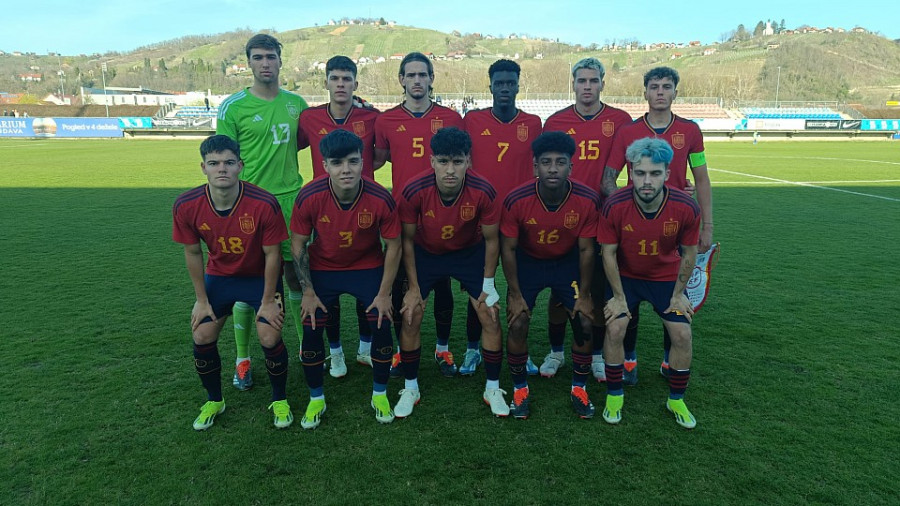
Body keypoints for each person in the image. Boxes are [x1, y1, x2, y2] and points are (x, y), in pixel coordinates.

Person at [601, 66, 714, 385]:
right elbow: (609, 178)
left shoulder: (690, 131)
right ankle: (629, 359)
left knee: (676, 300)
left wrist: (707, 225)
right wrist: (627, 205)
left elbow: (702, 177)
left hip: (679, 225)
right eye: (654, 86)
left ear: (676, 92)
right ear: (646, 92)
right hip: (635, 226)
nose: (660, 91)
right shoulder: (628, 132)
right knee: (628, 290)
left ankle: (669, 360)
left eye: (667, 86)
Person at [172, 135, 293, 430]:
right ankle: (214, 399)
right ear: (203, 168)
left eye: (228, 162)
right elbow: (192, 252)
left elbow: (273, 254)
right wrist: (201, 301)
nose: (221, 169)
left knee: (269, 336)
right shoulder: (187, 205)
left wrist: (267, 301)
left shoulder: (264, 203)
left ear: (240, 165)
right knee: (201, 335)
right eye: (214, 163)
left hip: (259, 279)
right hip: (220, 278)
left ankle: (280, 400)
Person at [290, 129, 401, 428]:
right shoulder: (310, 196)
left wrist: (384, 293)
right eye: (337, 163)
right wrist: (308, 291)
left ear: (363, 162)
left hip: (367, 267)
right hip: (324, 269)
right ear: (325, 165)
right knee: (311, 327)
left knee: (381, 320)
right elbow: (299, 244)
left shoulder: (380, 198)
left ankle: (379, 394)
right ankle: (316, 399)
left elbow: (394, 246)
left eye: (353, 161)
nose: (346, 169)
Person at [394, 127, 508, 418]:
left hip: (468, 255)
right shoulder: (414, 189)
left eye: (457, 161)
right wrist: (413, 287)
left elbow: (493, 239)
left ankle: (492, 388)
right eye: (443, 161)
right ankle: (410, 387)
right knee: (410, 314)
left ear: (468, 162)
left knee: (491, 314)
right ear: (431, 161)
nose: (450, 169)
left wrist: (488, 283)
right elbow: (406, 239)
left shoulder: (483, 190)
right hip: (426, 254)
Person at [216, 34, 308, 391]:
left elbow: (305, 140)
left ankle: (305, 347)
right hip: (249, 204)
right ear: (249, 63)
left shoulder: (297, 104)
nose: (265, 63)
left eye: (271, 56)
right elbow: (224, 156)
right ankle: (242, 359)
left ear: (281, 61)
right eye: (258, 57)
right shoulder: (233, 107)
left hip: (291, 201)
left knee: (296, 277)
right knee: (249, 284)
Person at [541, 58, 633, 382]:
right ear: (574, 83)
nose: (588, 87)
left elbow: (631, 170)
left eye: (594, 81)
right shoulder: (554, 121)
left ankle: (595, 354)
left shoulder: (621, 121)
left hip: (602, 220)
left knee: (594, 290)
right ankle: (555, 352)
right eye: (582, 80)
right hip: (562, 219)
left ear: (603, 84)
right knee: (558, 289)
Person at [598, 137, 700, 429]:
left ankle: (676, 399)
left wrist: (679, 294)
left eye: (654, 173)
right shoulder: (614, 205)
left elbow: (690, 253)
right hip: (626, 277)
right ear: (630, 172)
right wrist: (617, 297)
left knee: (681, 334)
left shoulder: (685, 207)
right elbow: (608, 252)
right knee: (615, 327)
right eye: (640, 173)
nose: (646, 180)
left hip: (664, 277)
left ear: (667, 174)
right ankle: (615, 396)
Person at [374, 52, 464, 378]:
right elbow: (376, 161)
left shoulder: (451, 117)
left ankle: (443, 349)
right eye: (410, 75)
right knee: (401, 287)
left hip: (442, 216)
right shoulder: (384, 121)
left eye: (422, 75)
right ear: (401, 79)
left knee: (441, 286)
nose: (416, 80)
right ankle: (401, 351)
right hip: (402, 215)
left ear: (431, 78)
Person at [501, 131, 599, 419]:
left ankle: (579, 388)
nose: (553, 168)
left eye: (560, 162)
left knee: (583, 321)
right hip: (528, 264)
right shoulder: (516, 200)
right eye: (546, 162)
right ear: (535, 167)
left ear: (572, 166)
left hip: (566, 265)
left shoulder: (586, 199)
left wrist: (586, 295)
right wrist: (516, 295)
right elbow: (508, 250)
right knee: (517, 322)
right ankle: (520, 389)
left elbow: (586, 251)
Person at [297, 55, 381, 377]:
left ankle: (364, 347)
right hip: (323, 209)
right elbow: (294, 148)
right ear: (327, 83)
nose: (341, 84)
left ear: (356, 84)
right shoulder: (309, 118)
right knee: (326, 285)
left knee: (365, 279)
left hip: (365, 207)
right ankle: (335, 352)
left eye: (347, 79)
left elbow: (382, 156)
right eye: (335, 79)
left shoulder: (373, 118)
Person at [461, 58, 543, 376]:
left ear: (519, 84)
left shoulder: (534, 124)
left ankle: (521, 351)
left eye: (511, 82)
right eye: (500, 82)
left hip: (520, 219)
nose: (505, 87)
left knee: (518, 289)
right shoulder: (472, 120)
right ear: (491, 85)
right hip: (480, 219)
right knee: (478, 286)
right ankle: (472, 350)